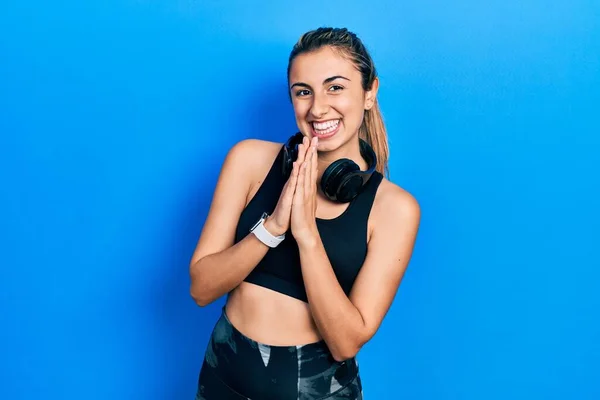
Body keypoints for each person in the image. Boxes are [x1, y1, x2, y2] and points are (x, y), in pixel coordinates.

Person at [189, 27, 421, 400]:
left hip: (319, 389)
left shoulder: (395, 209)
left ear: (369, 92)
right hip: (224, 374)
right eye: (303, 91)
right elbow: (201, 288)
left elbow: (346, 343)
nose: (317, 108)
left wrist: (307, 235)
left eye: (335, 87)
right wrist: (273, 227)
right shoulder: (248, 161)